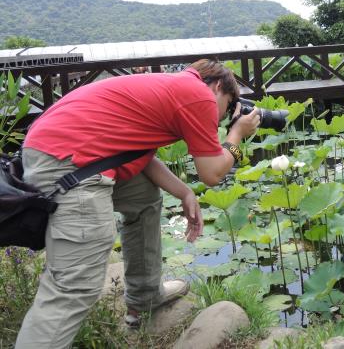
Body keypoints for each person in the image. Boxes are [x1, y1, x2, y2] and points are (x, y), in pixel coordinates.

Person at [15, 59, 260, 348]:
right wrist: (236, 135)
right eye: (228, 107)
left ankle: (145, 297)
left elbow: (137, 155)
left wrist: (184, 192)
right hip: (70, 165)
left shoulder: (169, 87)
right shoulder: (199, 94)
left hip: (58, 152)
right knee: (72, 289)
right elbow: (212, 173)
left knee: (144, 197)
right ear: (218, 86)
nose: (222, 118)